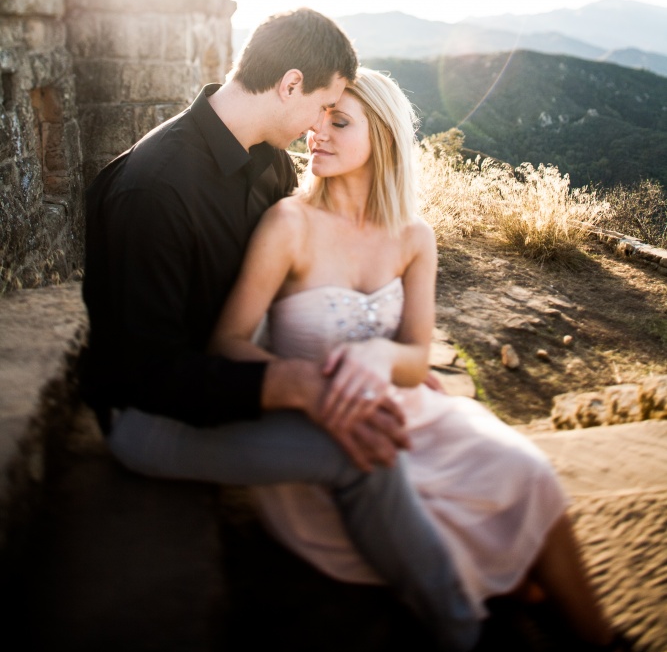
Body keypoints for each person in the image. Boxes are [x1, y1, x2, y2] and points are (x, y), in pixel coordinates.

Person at [81, 8, 480, 652]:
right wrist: (295, 388)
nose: (319, 126)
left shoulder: (268, 163)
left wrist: (367, 362)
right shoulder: (153, 190)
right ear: (290, 83)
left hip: (237, 371)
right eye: (322, 105)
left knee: (388, 416)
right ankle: (459, 627)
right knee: (363, 456)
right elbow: (146, 377)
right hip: (149, 418)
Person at [208, 66, 626, 652]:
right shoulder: (289, 225)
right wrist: (296, 387)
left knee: (528, 474)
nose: (316, 133)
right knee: (426, 519)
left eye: (339, 121)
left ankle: (601, 640)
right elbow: (227, 345)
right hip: (325, 432)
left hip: (409, 412)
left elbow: (413, 358)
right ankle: (514, 599)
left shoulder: (413, 236)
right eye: (317, 118)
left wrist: (383, 354)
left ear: (382, 137)